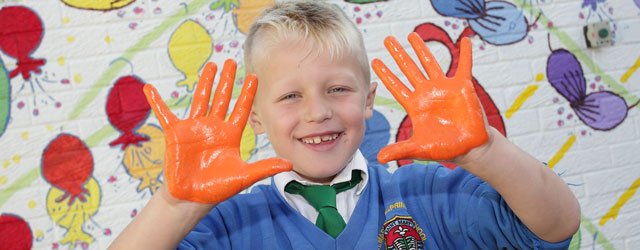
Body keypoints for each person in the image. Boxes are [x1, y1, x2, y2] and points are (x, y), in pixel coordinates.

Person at [110, 1, 580, 249]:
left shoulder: (426, 195)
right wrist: (176, 204)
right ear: (254, 115)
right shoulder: (228, 226)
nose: (318, 112)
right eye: (291, 96)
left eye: (337, 89)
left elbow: (556, 225)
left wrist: (485, 153)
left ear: (369, 100)